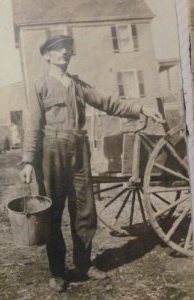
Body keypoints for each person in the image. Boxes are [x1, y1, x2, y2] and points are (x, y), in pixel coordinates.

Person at [20, 35, 164, 292]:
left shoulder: (77, 86)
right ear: (47, 56)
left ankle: (83, 265)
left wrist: (139, 109)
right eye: (57, 49)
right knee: (53, 212)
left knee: (85, 211)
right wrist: (28, 161)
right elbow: (33, 126)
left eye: (67, 48)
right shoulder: (39, 86)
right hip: (52, 152)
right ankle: (57, 272)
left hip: (79, 151)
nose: (64, 51)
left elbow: (107, 102)